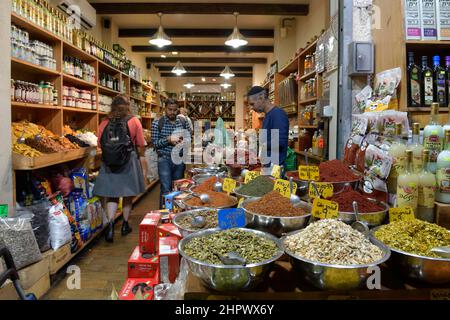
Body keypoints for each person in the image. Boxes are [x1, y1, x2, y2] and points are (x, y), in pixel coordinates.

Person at [94, 95, 147, 243]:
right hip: (128, 160)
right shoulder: (134, 121)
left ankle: (110, 225)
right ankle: (125, 224)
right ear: (128, 107)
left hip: (109, 163)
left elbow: (99, 143)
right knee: (128, 195)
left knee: (112, 195)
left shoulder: (104, 122)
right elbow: (141, 143)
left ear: (112, 107)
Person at [152, 99, 190, 208]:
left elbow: (188, 139)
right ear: (165, 109)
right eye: (170, 110)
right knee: (166, 188)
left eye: (174, 110)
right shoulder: (157, 123)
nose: (172, 112)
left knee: (178, 188)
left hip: (179, 159)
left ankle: (176, 214)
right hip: (164, 159)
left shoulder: (183, 122)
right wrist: (168, 140)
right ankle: (165, 215)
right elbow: (155, 144)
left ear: (178, 109)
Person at [247, 86, 289, 174]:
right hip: (268, 167)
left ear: (261, 98)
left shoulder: (277, 114)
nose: (252, 107)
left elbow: (280, 142)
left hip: (275, 169)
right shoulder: (267, 115)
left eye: (252, 104)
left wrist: (260, 143)